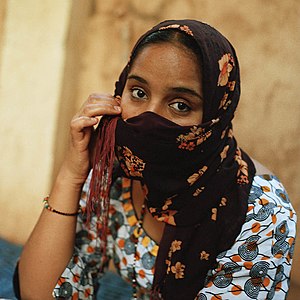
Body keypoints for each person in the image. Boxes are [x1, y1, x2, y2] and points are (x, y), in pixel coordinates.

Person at [14, 19, 297, 300]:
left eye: (180, 105)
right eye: (138, 92)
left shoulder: (261, 213)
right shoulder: (116, 170)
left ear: (215, 115)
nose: (149, 117)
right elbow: (38, 292)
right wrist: (71, 174)